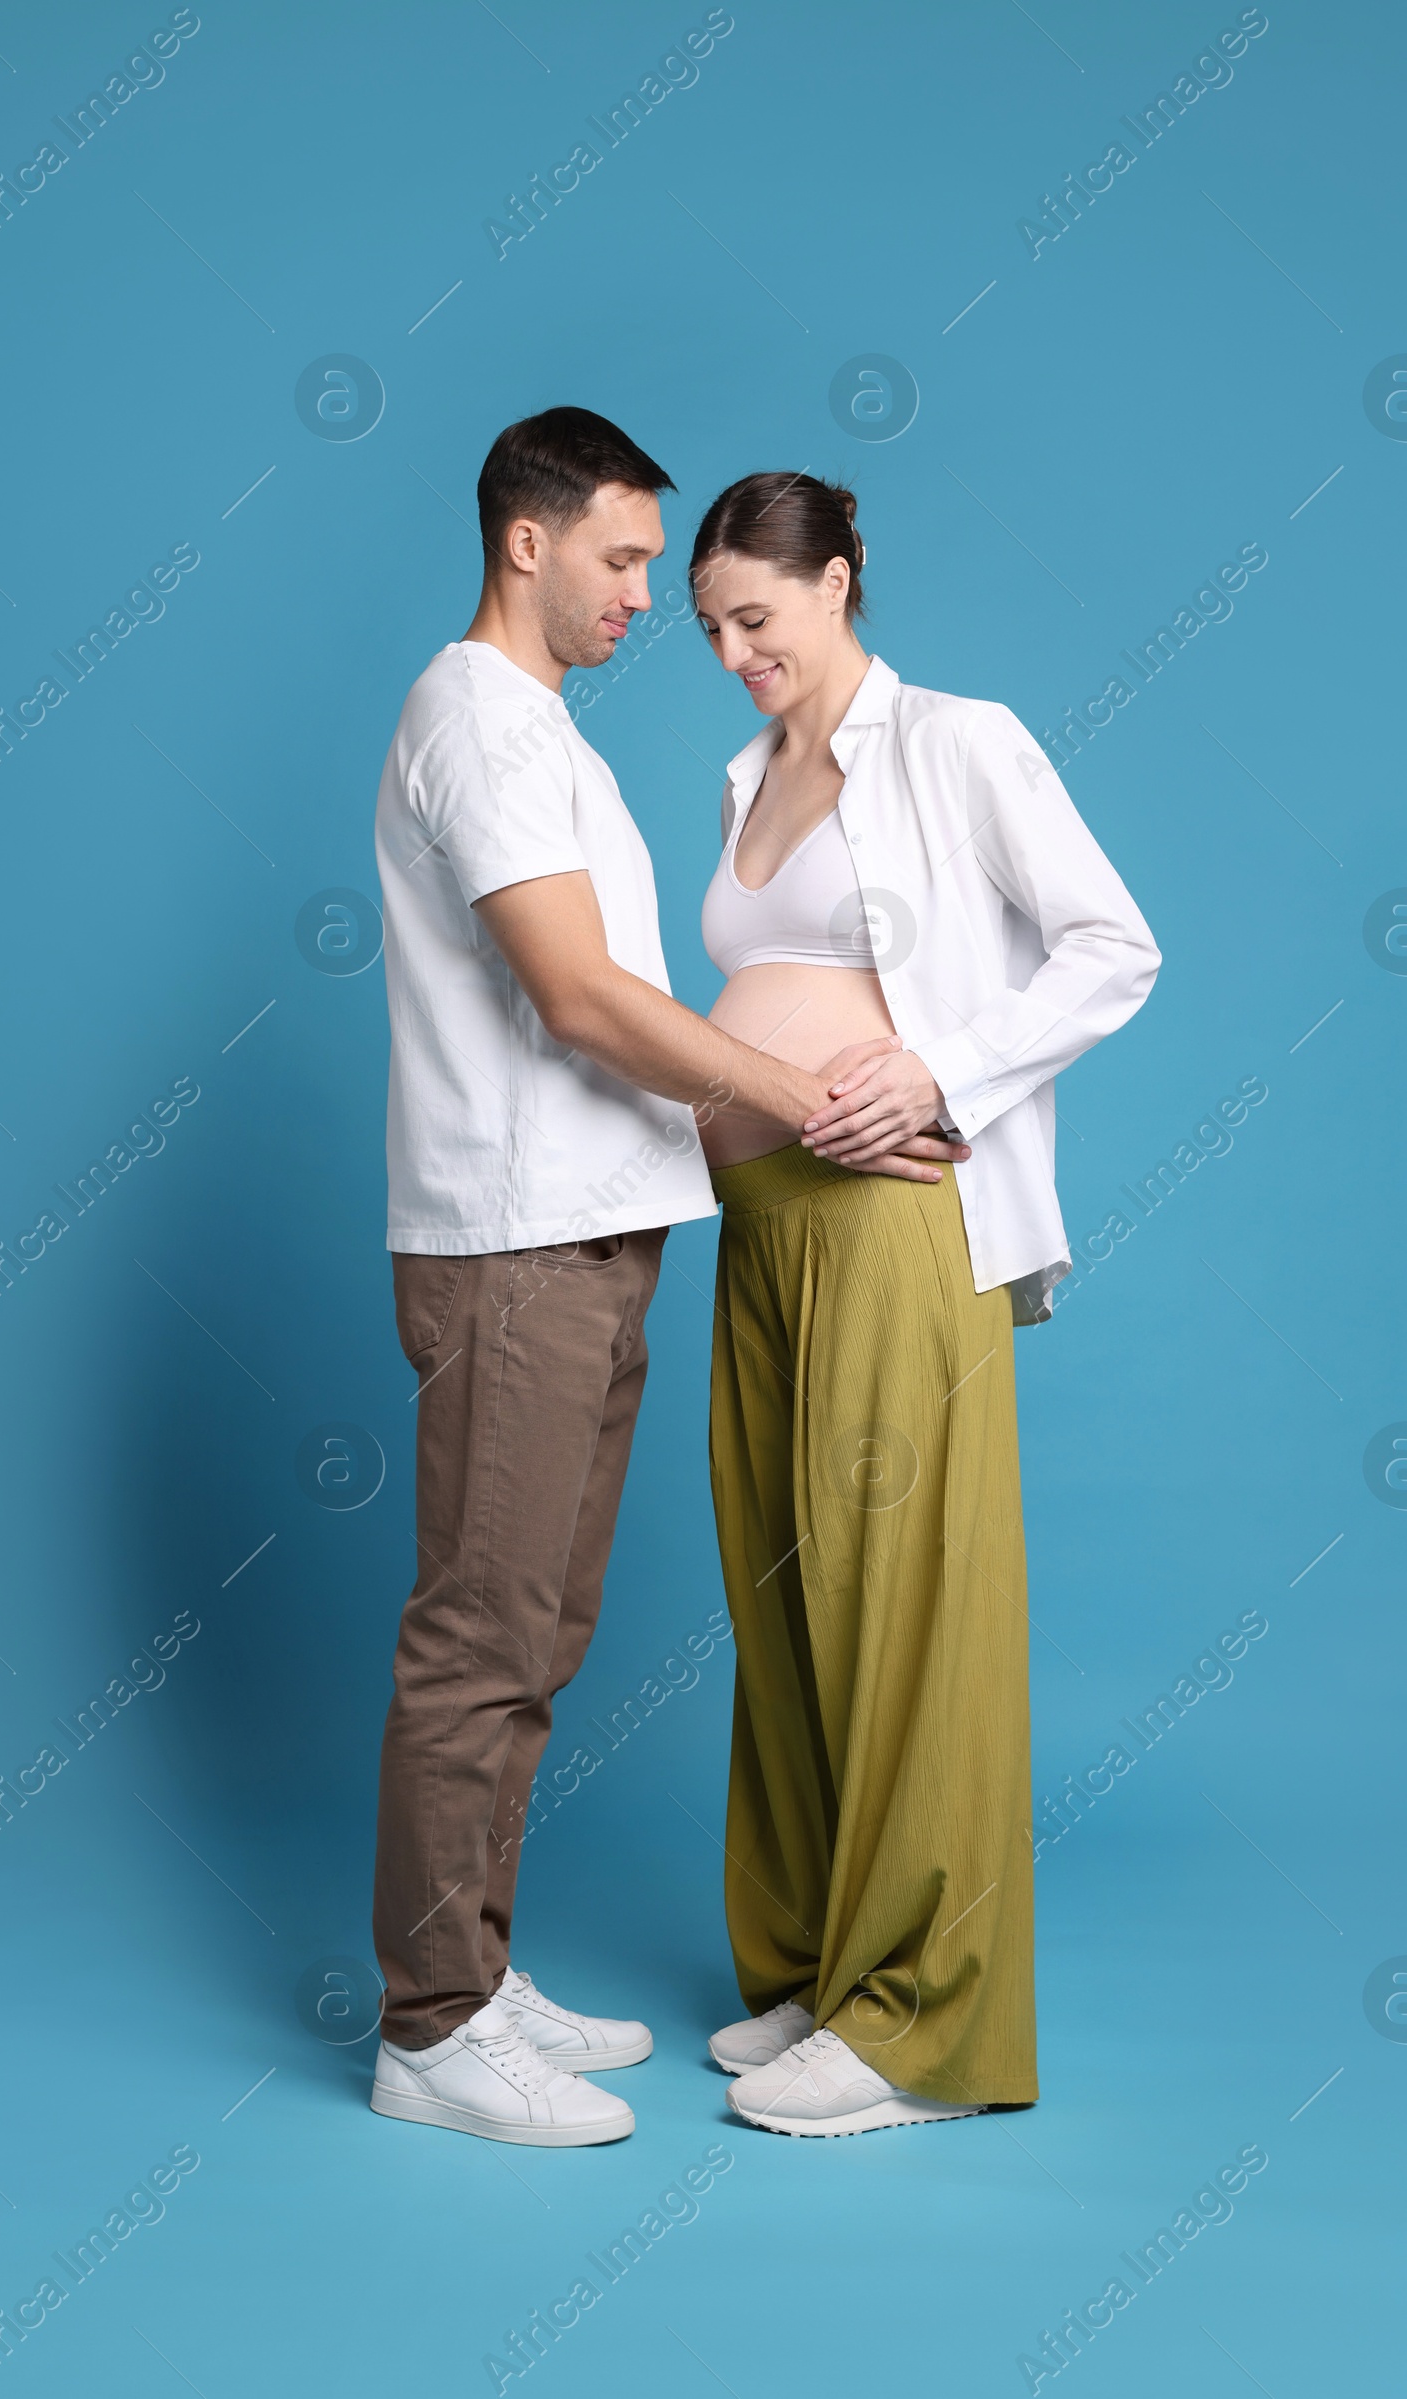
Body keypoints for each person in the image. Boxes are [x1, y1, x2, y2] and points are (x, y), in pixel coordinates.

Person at [368, 413, 964, 2149]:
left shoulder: (535, 727)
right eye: (626, 562)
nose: (656, 601)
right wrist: (814, 1105)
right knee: (483, 1630)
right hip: (512, 1241)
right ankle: (427, 2026)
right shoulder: (476, 720)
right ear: (527, 544)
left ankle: (477, 1972)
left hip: (591, 1228)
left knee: (542, 1623)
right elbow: (580, 997)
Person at [689, 472, 1160, 2138]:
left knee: (903, 1604)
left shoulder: (963, 740)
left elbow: (1115, 946)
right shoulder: (746, 775)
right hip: (759, 1229)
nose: (737, 654)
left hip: (895, 1224)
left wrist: (941, 1070)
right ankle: (825, 1960)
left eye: (759, 616)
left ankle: (922, 2028)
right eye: (711, 629)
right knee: (787, 1596)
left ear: (842, 581)